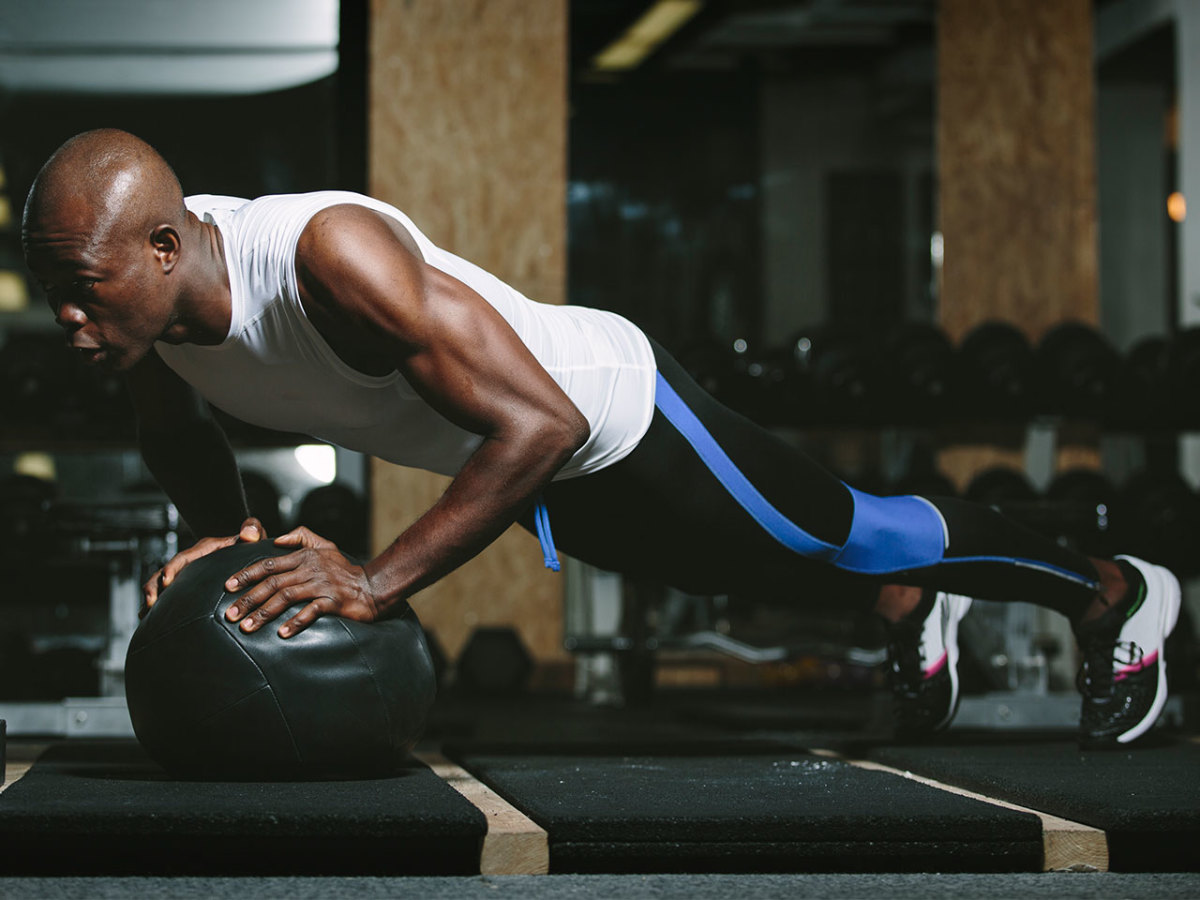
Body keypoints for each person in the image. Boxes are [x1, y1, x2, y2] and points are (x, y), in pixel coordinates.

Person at [21, 129, 1180, 749]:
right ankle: (910, 610)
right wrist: (217, 536)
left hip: (614, 415)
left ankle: (1114, 593)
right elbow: (179, 436)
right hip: (546, 477)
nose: (65, 318)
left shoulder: (326, 261)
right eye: (50, 291)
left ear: (166, 247)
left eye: (82, 288)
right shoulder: (152, 324)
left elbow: (543, 420)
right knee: (751, 571)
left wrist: (374, 580)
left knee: (853, 534)